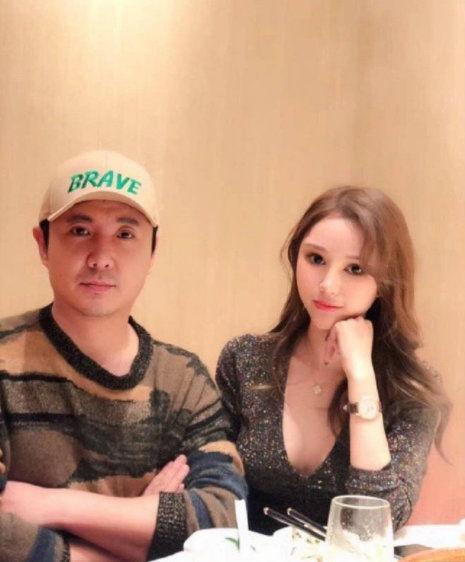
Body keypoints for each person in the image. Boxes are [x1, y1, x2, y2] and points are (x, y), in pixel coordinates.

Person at [0, 150, 247, 562]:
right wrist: (139, 529)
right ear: (43, 244)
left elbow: (224, 522)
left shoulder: (183, 380)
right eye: (80, 230)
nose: (101, 257)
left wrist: (53, 506)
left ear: (153, 250)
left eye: (125, 234)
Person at [216, 186, 450, 534]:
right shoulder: (245, 358)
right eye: (316, 259)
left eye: (354, 268)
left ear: (386, 283)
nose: (327, 284)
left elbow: (378, 522)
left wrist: (361, 377)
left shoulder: (411, 389)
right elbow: (213, 483)